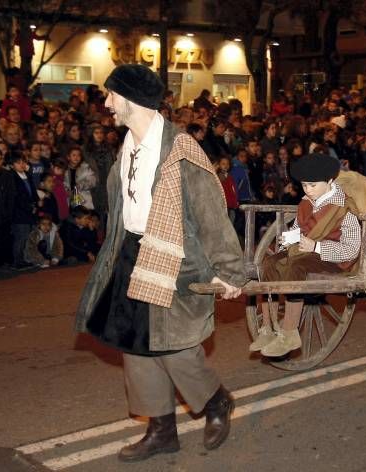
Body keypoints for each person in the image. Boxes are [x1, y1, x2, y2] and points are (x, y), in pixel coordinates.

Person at [76, 64, 246, 462]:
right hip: (131, 255)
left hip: (174, 260)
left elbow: (211, 214)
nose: (106, 103)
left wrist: (230, 271)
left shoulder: (180, 149)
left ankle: (216, 402)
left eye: (111, 95)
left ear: (131, 99)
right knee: (135, 346)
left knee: (175, 348)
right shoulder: (129, 146)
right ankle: (161, 429)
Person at [252, 153, 361, 357]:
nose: (308, 191)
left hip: (333, 261)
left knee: (297, 266)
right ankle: (268, 328)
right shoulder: (305, 203)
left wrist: (317, 247)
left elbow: (351, 249)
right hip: (306, 253)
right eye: (304, 186)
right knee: (271, 263)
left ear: (329, 181)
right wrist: (288, 242)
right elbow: (298, 229)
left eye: (312, 185)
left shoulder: (345, 208)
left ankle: (290, 333)